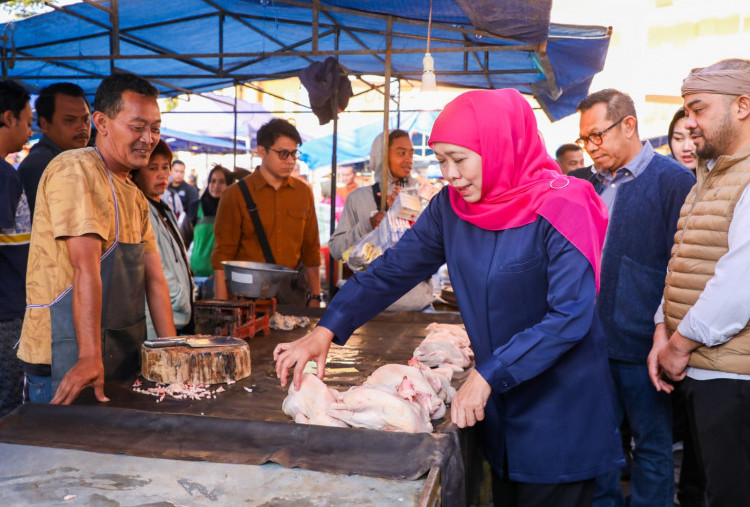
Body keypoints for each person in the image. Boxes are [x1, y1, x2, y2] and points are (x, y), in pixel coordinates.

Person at [275, 89, 624, 507]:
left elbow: (570, 316)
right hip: (499, 409)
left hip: (560, 412)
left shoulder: (564, 202)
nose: (450, 174)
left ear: (499, 147)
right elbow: (392, 269)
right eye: (441, 161)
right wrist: (327, 328)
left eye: (460, 159)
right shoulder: (451, 208)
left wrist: (489, 373)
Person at [16, 71, 176, 406]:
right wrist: (89, 355)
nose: (148, 138)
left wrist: (171, 350)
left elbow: (155, 280)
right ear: (101, 122)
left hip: (116, 354)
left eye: (155, 128)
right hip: (65, 357)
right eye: (137, 126)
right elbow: (84, 268)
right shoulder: (76, 169)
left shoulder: (133, 193)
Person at [576, 88, 695, 507]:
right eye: (584, 140)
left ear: (628, 125)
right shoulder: (584, 184)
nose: (590, 148)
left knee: (651, 445)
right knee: (599, 447)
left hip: (646, 343)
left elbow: (682, 268)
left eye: (596, 136)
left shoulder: (674, 182)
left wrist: (666, 338)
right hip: (588, 342)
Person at [650, 58, 750, 507]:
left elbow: (739, 285)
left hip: (732, 378)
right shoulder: (709, 177)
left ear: (743, 106)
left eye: (698, 109)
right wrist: (661, 332)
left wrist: (679, 344)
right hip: (701, 368)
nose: (689, 124)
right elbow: (684, 265)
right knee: (699, 490)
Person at [211, 118, 321, 306]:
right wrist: (223, 305)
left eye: (294, 154)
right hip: (247, 298)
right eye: (283, 154)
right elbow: (222, 258)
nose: (290, 161)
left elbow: (311, 251)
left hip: (292, 295)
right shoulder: (234, 195)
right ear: (262, 151)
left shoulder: (303, 193)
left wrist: (316, 297)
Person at [328, 130, 434, 311]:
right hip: (368, 307)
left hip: (418, 306)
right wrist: (367, 225)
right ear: (381, 156)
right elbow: (336, 250)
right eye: (401, 153)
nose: (408, 159)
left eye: (411, 153)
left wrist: (408, 214)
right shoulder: (358, 199)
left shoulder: (423, 197)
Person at [131, 140, 194, 339]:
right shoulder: (140, 210)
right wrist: (179, 297)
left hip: (178, 316)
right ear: (137, 173)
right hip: (155, 324)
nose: (162, 174)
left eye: (165, 167)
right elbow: (157, 272)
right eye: (153, 168)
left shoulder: (165, 209)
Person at [0, 80, 33, 417]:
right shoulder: (4, 174)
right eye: (26, 120)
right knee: (9, 405)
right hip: (7, 312)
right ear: (7, 118)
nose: (29, 129)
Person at [18, 82, 91, 220]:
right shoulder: (41, 166)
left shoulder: (76, 159)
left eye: (86, 119)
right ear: (45, 124)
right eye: (69, 120)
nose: (82, 127)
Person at [191, 164, 235, 297]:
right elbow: (181, 240)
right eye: (212, 181)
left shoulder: (235, 210)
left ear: (230, 185)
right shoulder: (194, 208)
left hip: (224, 279)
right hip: (196, 276)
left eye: (222, 182)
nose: (216, 185)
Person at [668, 107, 698, 173]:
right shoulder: (659, 175)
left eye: (694, 137)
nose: (686, 148)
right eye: (678, 138)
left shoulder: (723, 177)